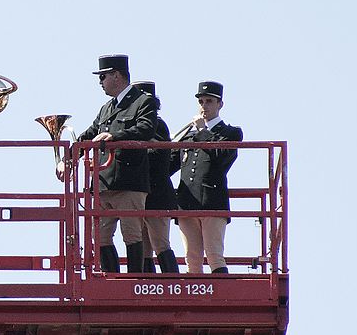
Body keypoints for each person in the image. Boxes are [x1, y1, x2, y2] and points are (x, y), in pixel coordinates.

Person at [58, 55, 157, 273]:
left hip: (129, 181)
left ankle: (134, 283)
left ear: (117, 75)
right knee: (100, 236)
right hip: (104, 183)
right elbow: (90, 134)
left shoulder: (143, 101)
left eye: (102, 76)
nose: (100, 82)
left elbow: (146, 129)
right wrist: (70, 158)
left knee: (131, 234)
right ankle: (112, 280)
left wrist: (114, 136)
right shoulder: (106, 108)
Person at [170, 81, 243, 273]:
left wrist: (203, 132)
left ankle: (223, 295)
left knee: (214, 255)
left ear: (220, 104)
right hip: (187, 202)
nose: (204, 106)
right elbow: (170, 165)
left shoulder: (230, 133)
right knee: (192, 258)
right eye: (201, 101)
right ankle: (193, 299)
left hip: (212, 201)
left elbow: (222, 158)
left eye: (209, 101)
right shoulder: (188, 135)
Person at [131, 81, 179, 273]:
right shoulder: (143, 125)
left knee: (160, 243)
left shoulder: (156, 125)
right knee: (143, 247)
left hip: (157, 195)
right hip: (142, 194)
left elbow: (160, 160)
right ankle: (146, 287)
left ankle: (173, 286)